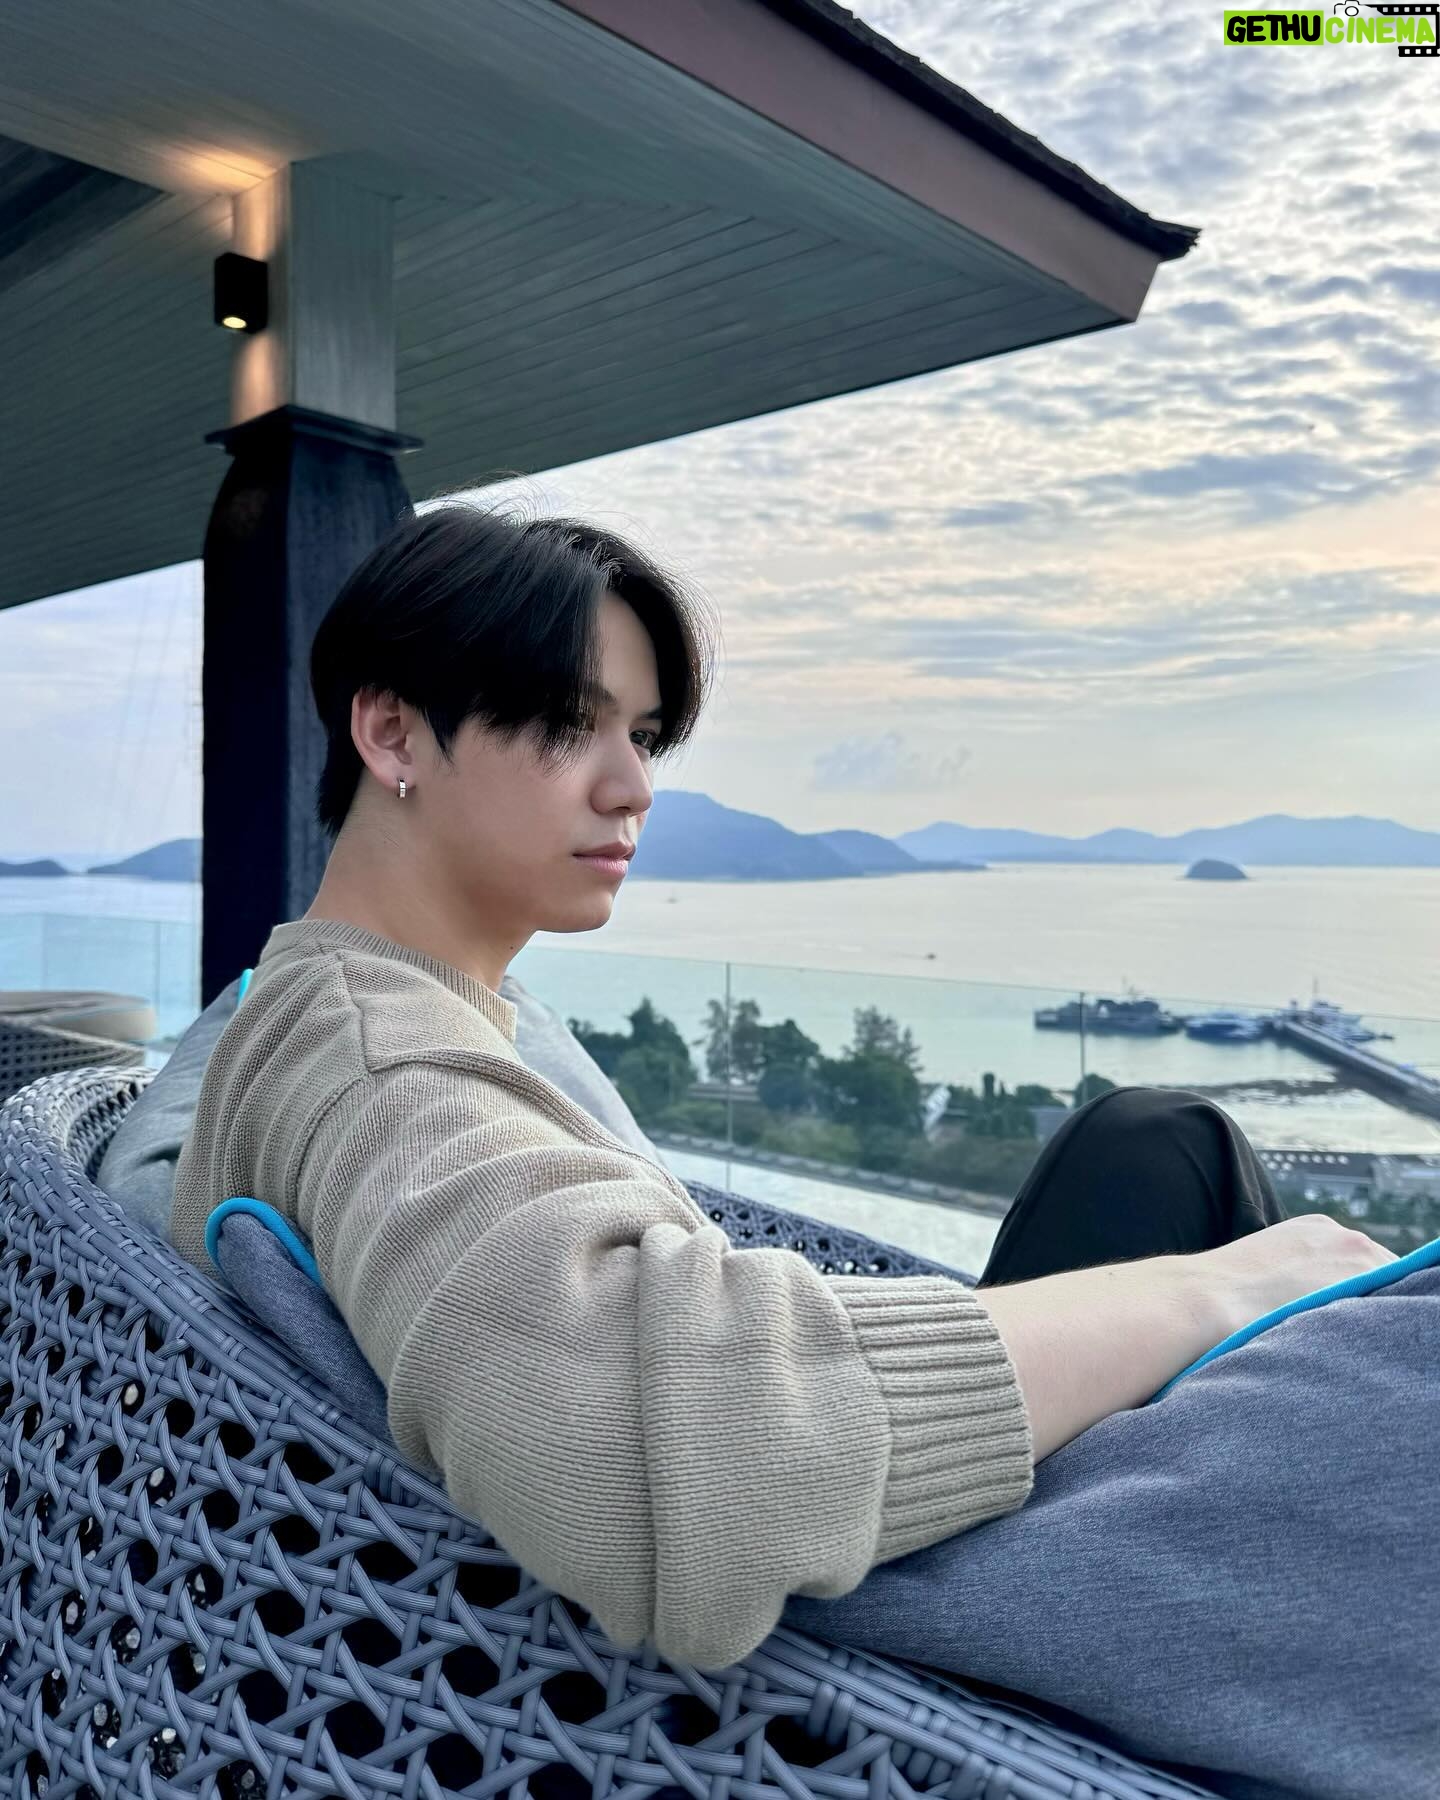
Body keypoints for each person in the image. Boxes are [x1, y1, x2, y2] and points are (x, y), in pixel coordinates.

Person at [170, 502, 1395, 1672]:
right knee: (1241, 1225)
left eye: (643, 737)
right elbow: (645, 1456)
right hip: (879, 1648)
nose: (633, 787)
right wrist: (1215, 1291)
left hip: (845, 1564)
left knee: (1156, 1139)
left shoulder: (362, 1010)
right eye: (568, 723)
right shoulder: (383, 1065)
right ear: (392, 735)